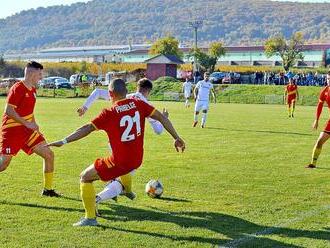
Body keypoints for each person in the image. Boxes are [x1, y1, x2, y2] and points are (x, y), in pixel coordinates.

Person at [48, 78, 185, 226]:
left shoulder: (109, 112)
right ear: (127, 92)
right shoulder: (140, 104)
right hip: (137, 159)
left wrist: (64, 141)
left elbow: (86, 128)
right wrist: (176, 137)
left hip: (120, 161)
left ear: (110, 94)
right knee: (123, 170)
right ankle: (126, 189)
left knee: (85, 177)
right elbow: (161, 118)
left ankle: (90, 218)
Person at [77, 78, 168, 203]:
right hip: (129, 149)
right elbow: (158, 130)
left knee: (116, 175)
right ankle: (98, 198)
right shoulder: (142, 102)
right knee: (121, 181)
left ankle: (119, 190)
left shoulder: (125, 96)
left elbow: (98, 91)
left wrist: (84, 107)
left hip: (115, 143)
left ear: (137, 87)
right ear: (148, 91)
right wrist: (163, 119)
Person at [0, 61, 59, 197]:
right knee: (3, 165)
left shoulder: (33, 89)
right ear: (32, 73)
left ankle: (48, 190)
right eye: (39, 74)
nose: (41, 77)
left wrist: (34, 125)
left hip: (27, 132)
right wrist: (27, 124)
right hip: (12, 131)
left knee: (49, 155)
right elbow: (8, 110)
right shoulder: (18, 88)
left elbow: (29, 112)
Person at [306, 72, 330, 169]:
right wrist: (316, 119)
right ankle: (313, 164)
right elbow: (319, 106)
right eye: (328, 78)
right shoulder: (325, 91)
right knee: (319, 141)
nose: (328, 80)